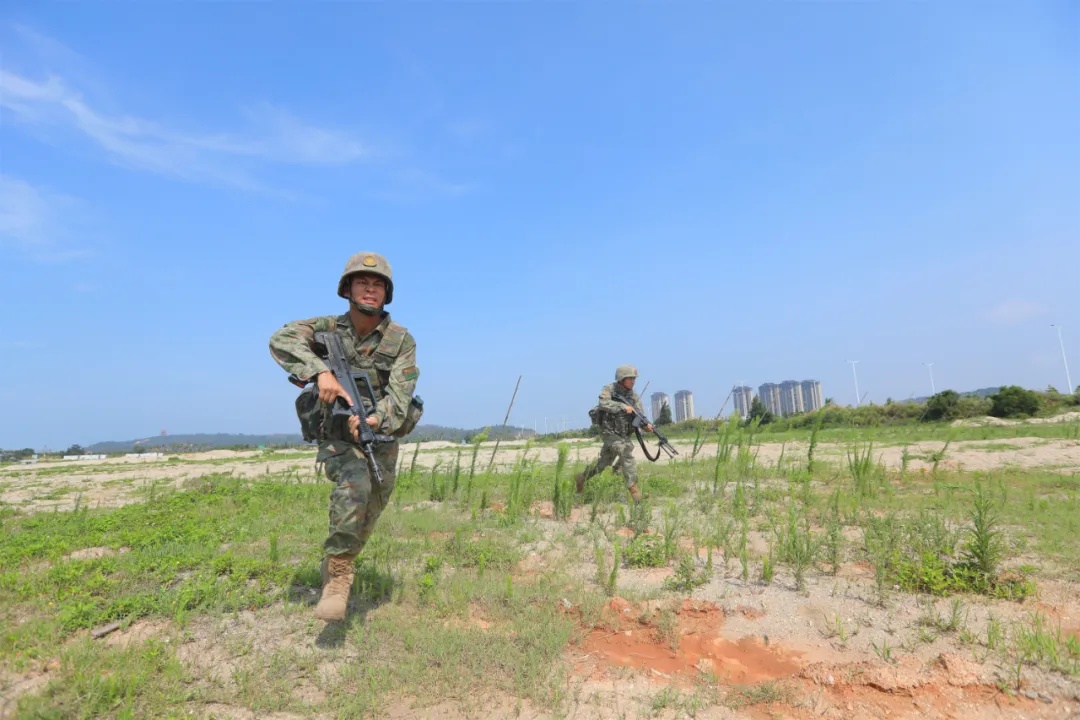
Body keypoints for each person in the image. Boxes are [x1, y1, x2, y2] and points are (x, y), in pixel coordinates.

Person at [269, 252, 420, 621]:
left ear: (387, 294)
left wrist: (373, 419)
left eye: (378, 284)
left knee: (372, 506)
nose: (370, 289)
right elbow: (280, 339)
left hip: (378, 434)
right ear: (347, 289)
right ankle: (338, 580)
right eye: (362, 282)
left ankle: (339, 559)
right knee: (355, 485)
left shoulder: (401, 341)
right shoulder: (326, 328)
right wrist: (320, 372)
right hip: (336, 432)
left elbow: (400, 397)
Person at [576, 365, 652, 503]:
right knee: (624, 450)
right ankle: (634, 491)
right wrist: (623, 407)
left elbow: (638, 415)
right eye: (630, 379)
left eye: (634, 379)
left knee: (602, 464)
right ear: (621, 379)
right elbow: (603, 403)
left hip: (623, 434)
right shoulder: (609, 389)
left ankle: (582, 478)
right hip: (609, 432)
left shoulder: (633, 395)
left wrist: (645, 425)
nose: (633, 381)